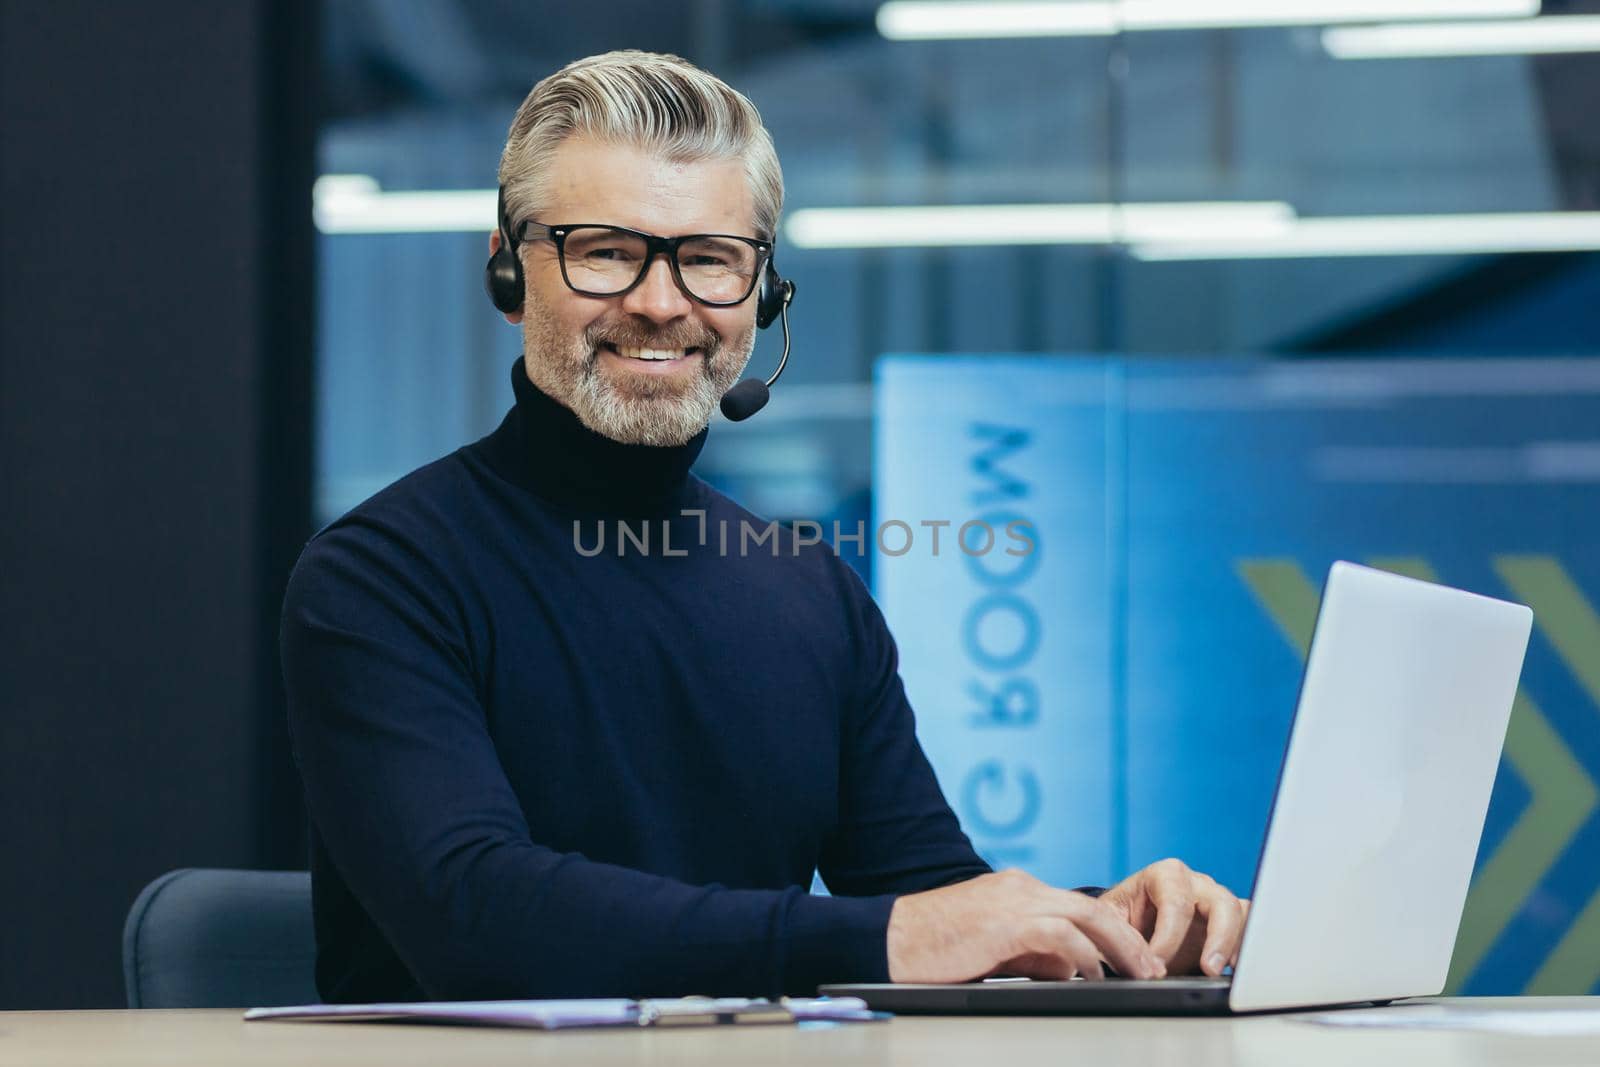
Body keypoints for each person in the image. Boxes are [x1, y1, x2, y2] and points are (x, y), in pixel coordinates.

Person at [281, 49, 1246, 1003]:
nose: (661, 303)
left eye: (708, 260)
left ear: (763, 295)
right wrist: (893, 937)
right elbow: (474, 914)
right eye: (607, 250)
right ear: (508, 272)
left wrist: (1102, 924)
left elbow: (931, 903)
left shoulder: (807, 591)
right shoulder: (381, 576)